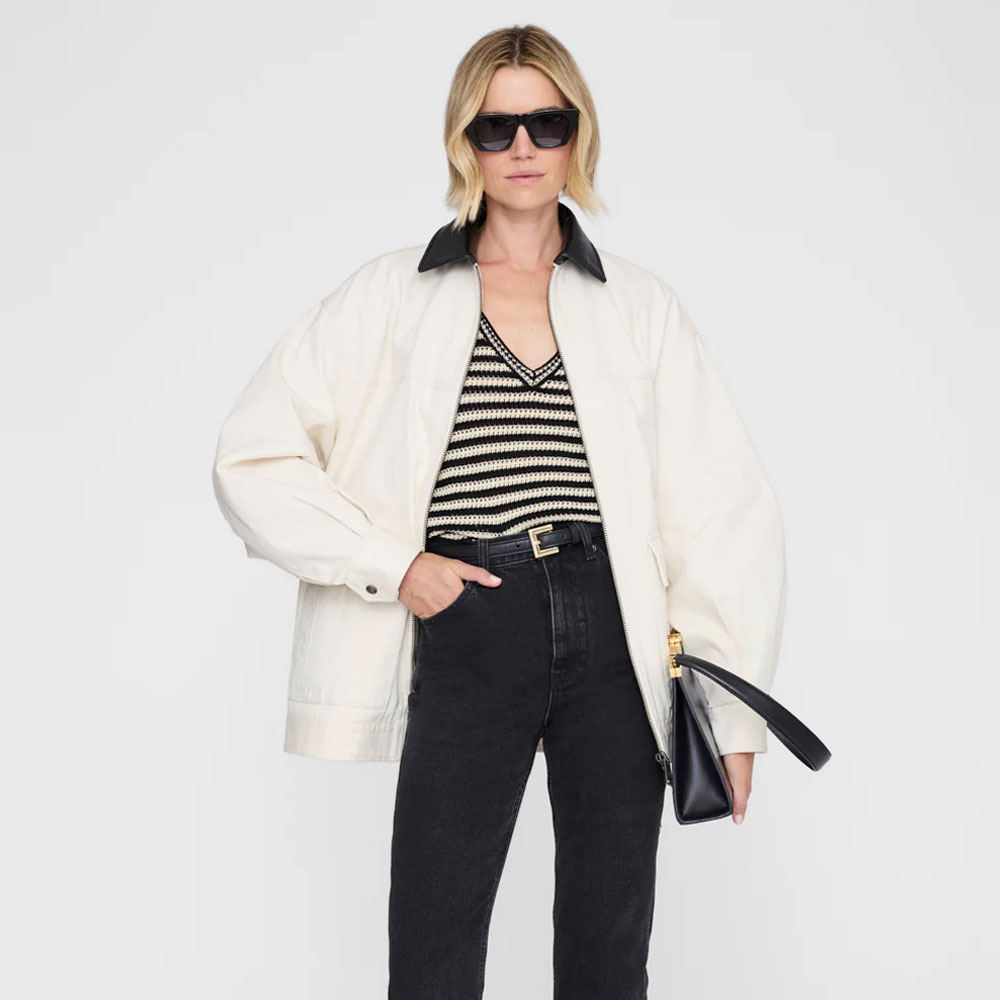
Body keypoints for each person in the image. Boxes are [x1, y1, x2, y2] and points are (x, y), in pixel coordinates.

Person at [212, 23, 787, 1000]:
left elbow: (720, 507)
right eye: (496, 126)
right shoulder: (392, 295)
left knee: (609, 958)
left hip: (614, 628)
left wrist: (731, 717)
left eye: (546, 123)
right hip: (471, 617)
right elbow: (251, 457)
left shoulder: (638, 305)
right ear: (463, 141)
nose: (522, 147)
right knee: (432, 950)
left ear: (578, 134)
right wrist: (394, 565)